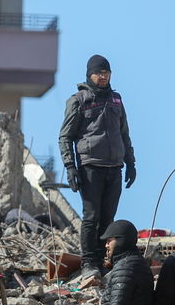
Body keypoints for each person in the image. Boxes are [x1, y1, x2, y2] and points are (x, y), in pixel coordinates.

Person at [58, 55, 135, 279]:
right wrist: (70, 167)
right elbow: (65, 137)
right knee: (91, 216)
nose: (103, 77)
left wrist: (131, 162)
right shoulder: (79, 100)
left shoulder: (116, 100)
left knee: (108, 217)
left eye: (106, 72)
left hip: (115, 167)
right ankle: (89, 262)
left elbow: (124, 133)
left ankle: (104, 260)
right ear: (89, 74)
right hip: (90, 166)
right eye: (98, 73)